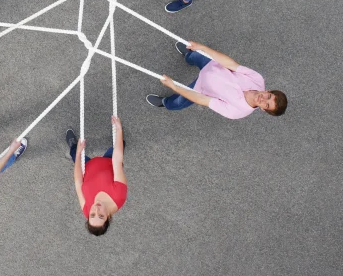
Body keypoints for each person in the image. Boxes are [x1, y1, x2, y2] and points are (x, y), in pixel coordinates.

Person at [146, 40, 287, 117]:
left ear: (263, 109)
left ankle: (165, 103)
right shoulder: (257, 79)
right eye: (268, 96)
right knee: (195, 55)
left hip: (201, 89)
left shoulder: (238, 111)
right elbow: (231, 64)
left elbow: (204, 100)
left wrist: (174, 86)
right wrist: (203, 47)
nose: (263, 99)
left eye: (266, 105)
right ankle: (188, 55)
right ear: (268, 90)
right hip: (213, 65)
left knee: (179, 101)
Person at [66, 116, 126, 236]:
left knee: (74, 152)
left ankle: (73, 147)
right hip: (108, 162)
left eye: (92, 215)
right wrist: (119, 130)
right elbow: (117, 161)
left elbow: (78, 183)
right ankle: (119, 139)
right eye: (101, 215)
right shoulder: (119, 195)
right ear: (108, 217)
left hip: (86, 166)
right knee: (119, 145)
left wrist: (78, 153)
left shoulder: (87, 210)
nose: (96, 210)